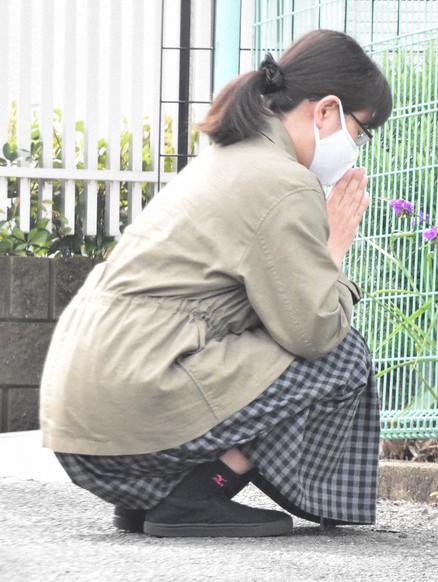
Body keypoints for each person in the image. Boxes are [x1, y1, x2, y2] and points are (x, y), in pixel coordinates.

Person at [38, 29, 392, 538]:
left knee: (278, 346)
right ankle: (195, 497)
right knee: (342, 354)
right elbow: (315, 331)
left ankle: (166, 496)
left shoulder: (222, 161)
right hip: (130, 410)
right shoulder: (282, 181)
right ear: (327, 111)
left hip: (81, 423)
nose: (357, 148)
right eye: (362, 131)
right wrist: (335, 248)